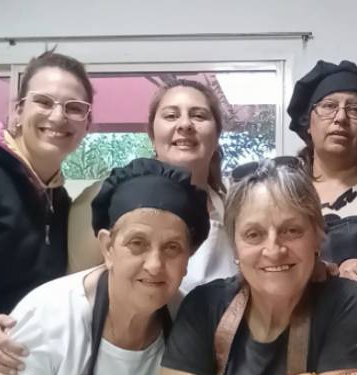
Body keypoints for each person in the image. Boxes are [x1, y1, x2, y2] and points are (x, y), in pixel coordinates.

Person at [0, 159, 210, 375]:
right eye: (137, 244)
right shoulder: (48, 316)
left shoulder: (188, 320)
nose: (154, 264)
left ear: (187, 259)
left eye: (172, 248)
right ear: (108, 247)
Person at [156, 158, 357, 375]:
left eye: (291, 231)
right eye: (254, 235)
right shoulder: (204, 307)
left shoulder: (345, 305)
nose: (274, 250)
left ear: (317, 237)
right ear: (235, 247)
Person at [0, 51, 93, 375]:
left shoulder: (61, 202)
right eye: (44, 101)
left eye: (74, 107)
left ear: (87, 123)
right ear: (18, 111)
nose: (58, 116)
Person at [68, 79, 237, 293]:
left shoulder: (234, 207)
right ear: (152, 133)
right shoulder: (105, 197)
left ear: (217, 134)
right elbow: (78, 293)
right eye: (171, 116)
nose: (185, 124)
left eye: (198, 115)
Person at [286, 59, 357, 264]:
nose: (341, 117)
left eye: (355, 110)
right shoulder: (282, 186)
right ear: (308, 123)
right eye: (329, 106)